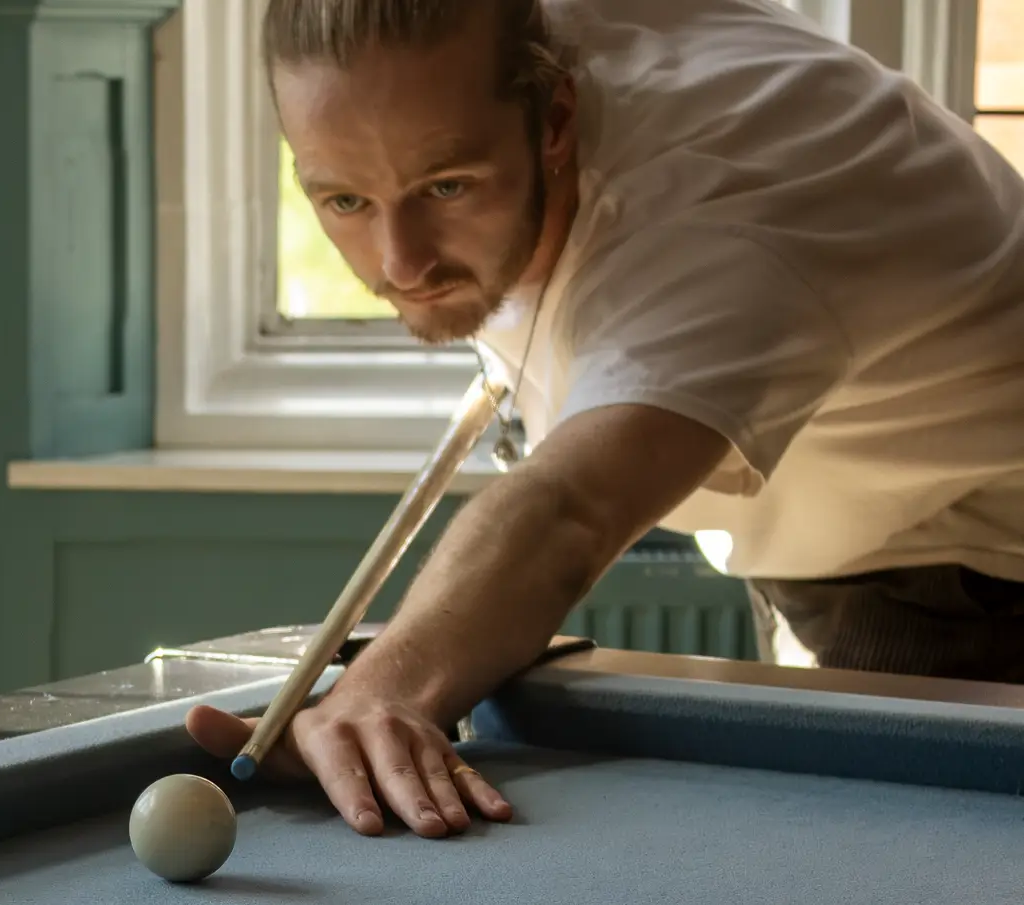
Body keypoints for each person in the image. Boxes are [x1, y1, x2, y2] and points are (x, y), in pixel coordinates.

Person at [183, 0, 1024, 838]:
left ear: (554, 120)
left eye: (447, 186)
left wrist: (383, 692)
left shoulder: (709, 225)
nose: (400, 263)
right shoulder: (530, 35)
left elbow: (570, 511)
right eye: (344, 201)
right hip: (843, 518)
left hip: (969, 573)